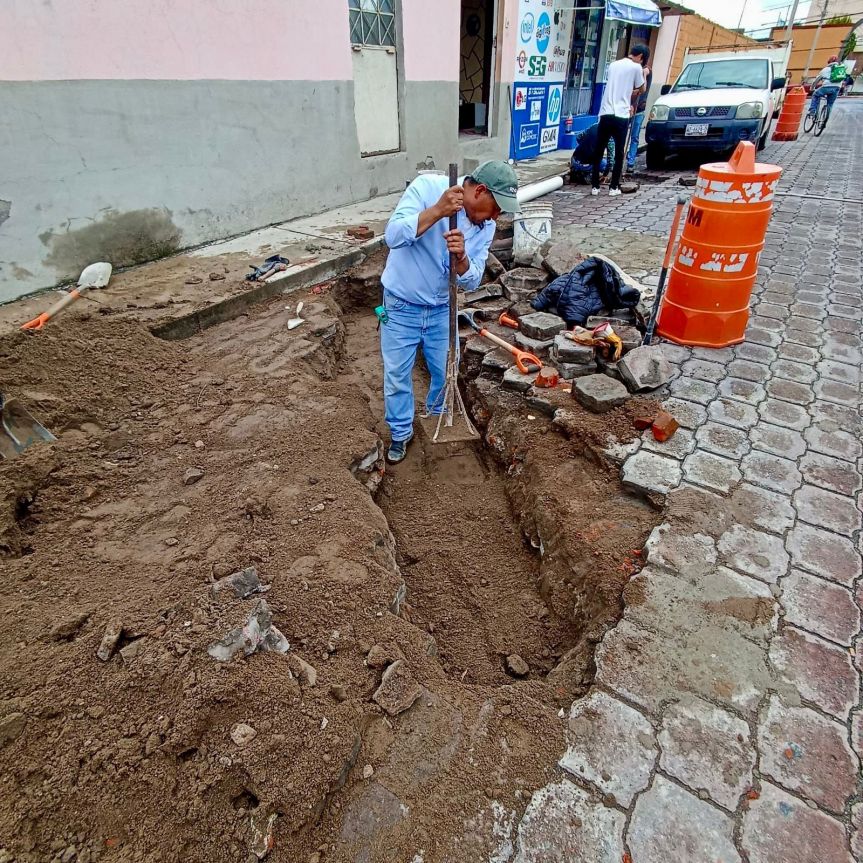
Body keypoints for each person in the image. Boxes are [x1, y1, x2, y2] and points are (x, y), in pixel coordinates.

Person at [379, 161, 519, 464]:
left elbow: (473, 277)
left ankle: (438, 417)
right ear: (480, 190)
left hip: (442, 307)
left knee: (447, 369)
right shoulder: (428, 188)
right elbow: (392, 235)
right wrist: (438, 211)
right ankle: (401, 433)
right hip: (402, 305)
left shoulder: (487, 226)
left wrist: (462, 260)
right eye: (496, 207)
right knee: (397, 376)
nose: (498, 216)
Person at [591, 45, 647, 197]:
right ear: (640, 56)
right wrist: (645, 74)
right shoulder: (636, 68)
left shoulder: (613, 65)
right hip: (621, 115)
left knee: (598, 150)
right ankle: (613, 187)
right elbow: (642, 89)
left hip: (606, 112)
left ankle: (595, 186)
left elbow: (620, 87)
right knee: (619, 153)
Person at [626, 59, 652, 171]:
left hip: (639, 109)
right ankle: (616, 161)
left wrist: (644, 74)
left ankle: (630, 162)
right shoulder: (630, 71)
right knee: (620, 136)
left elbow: (642, 91)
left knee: (634, 136)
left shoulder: (646, 71)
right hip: (626, 109)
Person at [808, 55, 846, 123]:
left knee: (815, 95)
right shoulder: (840, 69)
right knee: (830, 104)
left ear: (829, 62)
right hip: (837, 88)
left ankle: (812, 111)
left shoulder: (825, 69)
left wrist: (812, 88)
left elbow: (816, 80)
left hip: (827, 87)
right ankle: (825, 118)